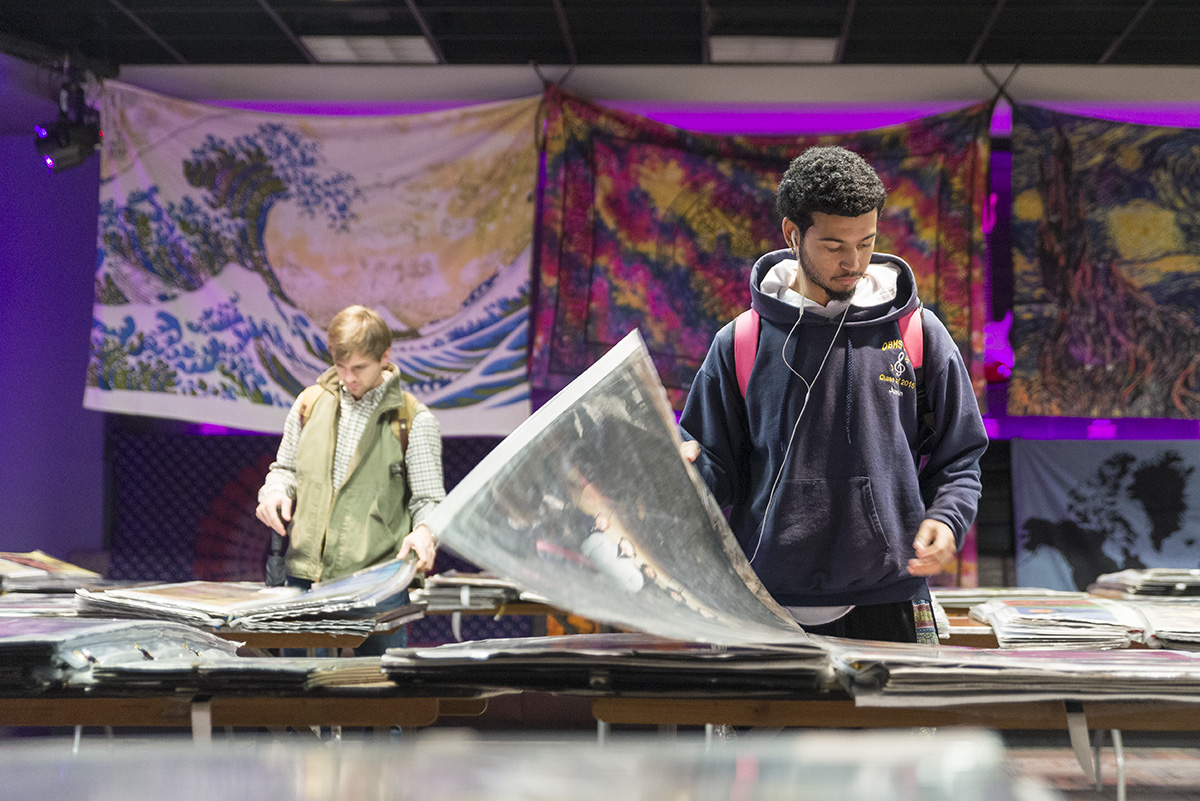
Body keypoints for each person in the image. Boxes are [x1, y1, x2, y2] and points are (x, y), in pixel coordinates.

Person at [679, 146, 987, 644]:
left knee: (903, 727)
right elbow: (714, 470)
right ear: (792, 234)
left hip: (889, 597)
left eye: (866, 243)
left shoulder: (916, 333)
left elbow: (962, 456)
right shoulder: (741, 342)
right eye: (834, 246)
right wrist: (680, 473)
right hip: (766, 600)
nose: (854, 262)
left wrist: (948, 520)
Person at [256, 304, 445, 655]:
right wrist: (274, 492)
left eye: (359, 367)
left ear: (384, 357)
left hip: (380, 581)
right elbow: (284, 470)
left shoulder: (412, 419)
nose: (349, 377)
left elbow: (429, 500)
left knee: (381, 688)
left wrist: (425, 532)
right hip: (304, 575)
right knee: (298, 691)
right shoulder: (309, 403)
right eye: (340, 366)